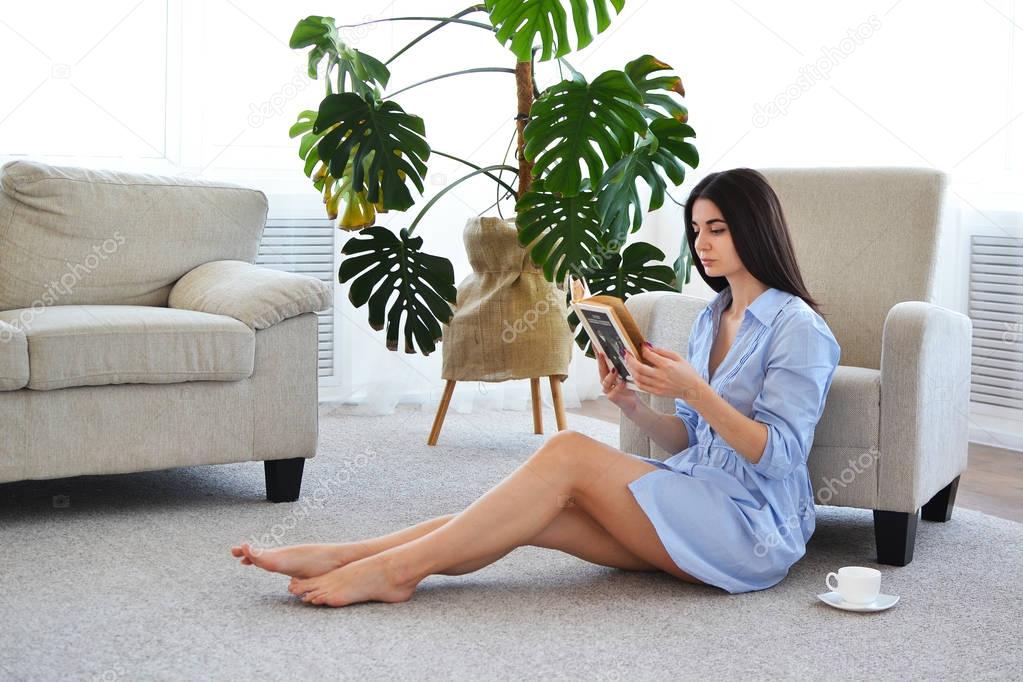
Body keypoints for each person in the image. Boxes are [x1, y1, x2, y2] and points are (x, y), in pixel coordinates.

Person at [230, 167, 841, 605]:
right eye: (698, 230)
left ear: (754, 230)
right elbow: (693, 442)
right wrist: (634, 405)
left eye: (718, 230)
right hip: (697, 497)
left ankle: (391, 573)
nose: (702, 245)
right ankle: (354, 555)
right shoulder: (714, 317)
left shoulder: (800, 329)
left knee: (569, 451)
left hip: (753, 532)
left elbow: (781, 455)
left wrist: (694, 391)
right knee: (526, 512)